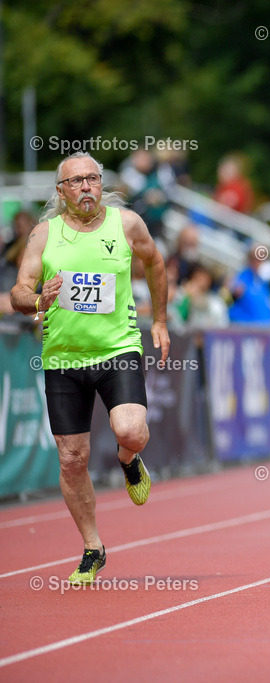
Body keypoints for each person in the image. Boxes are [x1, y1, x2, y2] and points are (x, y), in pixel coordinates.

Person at [9, 152, 169, 585]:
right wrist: (38, 299)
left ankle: (128, 457)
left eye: (92, 179)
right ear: (61, 191)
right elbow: (19, 290)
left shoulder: (127, 224)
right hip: (63, 358)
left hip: (117, 349)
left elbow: (155, 262)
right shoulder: (44, 235)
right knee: (71, 459)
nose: (86, 187)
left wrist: (159, 321)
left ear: (101, 184)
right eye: (76, 181)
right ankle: (92, 547)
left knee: (131, 431)